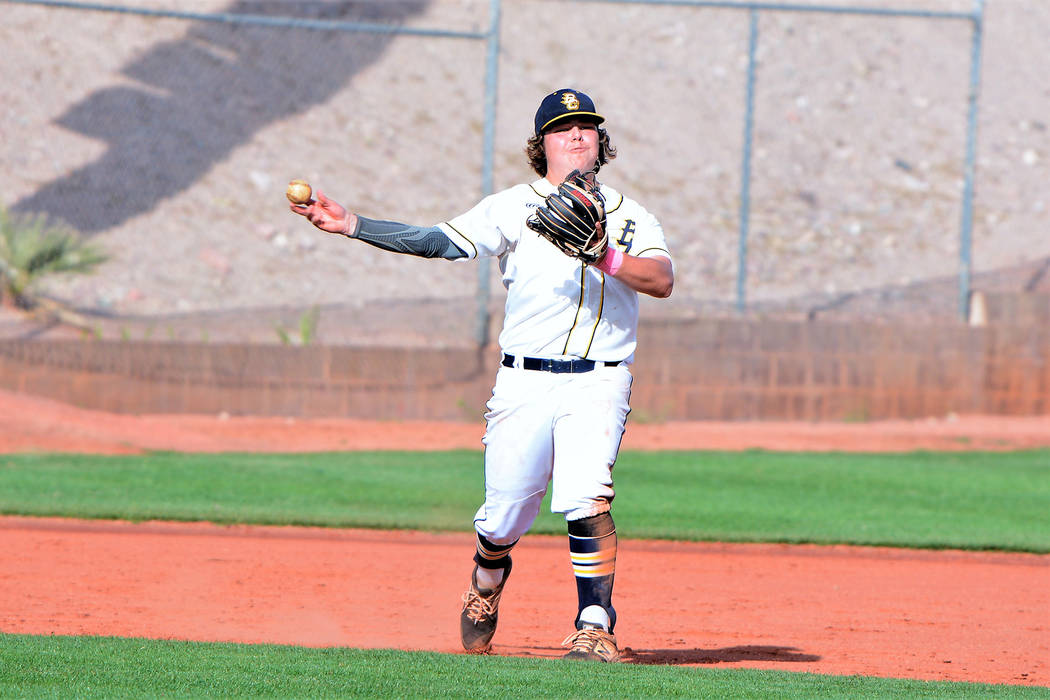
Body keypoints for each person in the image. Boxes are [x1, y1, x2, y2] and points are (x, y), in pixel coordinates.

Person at [289, 88, 673, 662]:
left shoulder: (630, 216)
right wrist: (353, 225)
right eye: (562, 128)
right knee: (504, 514)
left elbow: (662, 280)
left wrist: (605, 257)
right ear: (541, 146)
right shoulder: (512, 208)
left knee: (589, 493)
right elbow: (438, 242)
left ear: (601, 142)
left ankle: (595, 625)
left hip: (599, 379)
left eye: (587, 127)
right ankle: (486, 582)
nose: (577, 135)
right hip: (523, 381)